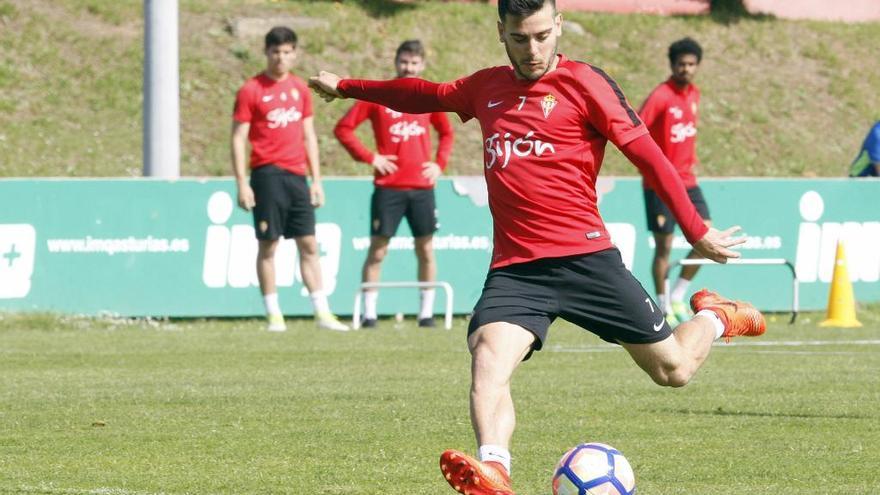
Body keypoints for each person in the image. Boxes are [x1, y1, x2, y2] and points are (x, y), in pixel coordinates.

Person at [309, 1, 766, 494]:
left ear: (559, 27)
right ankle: (494, 468)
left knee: (673, 369)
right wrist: (347, 86)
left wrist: (695, 228)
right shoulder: (485, 88)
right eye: (521, 38)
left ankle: (717, 315)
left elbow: (649, 155)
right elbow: (424, 94)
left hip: (587, 260)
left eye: (543, 36)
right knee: (488, 355)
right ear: (501, 32)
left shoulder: (586, 83)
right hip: (517, 269)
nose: (533, 49)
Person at [231, 26, 349, 332]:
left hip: (298, 177)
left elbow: (309, 136)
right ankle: (274, 315)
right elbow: (238, 138)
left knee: (308, 243)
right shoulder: (251, 89)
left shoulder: (299, 89)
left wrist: (317, 180)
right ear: (266, 52)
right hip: (267, 174)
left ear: (294, 53)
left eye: (286, 52)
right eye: (275, 52)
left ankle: (322, 312)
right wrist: (242, 182)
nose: (280, 58)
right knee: (268, 245)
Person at [333, 40, 454, 328]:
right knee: (378, 249)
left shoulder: (428, 98)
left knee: (425, 249)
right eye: (404, 62)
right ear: (396, 62)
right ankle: (369, 313)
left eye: (414, 63)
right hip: (388, 187)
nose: (408, 68)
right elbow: (344, 129)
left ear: (422, 65)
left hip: (422, 188)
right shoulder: (379, 97)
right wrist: (370, 157)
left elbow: (447, 133)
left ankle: (426, 313)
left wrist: (439, 163)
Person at [638, 37, 712, 327]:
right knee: (664, 247)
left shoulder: (694, 94)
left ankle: (678, 295)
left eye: (691, 64)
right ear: (672, 65)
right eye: (681, 64)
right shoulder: (661, 96)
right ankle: (662, 304)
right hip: (659, 184)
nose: (686, 69)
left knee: (706, 236)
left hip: (688, 181)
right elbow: (637, 130)